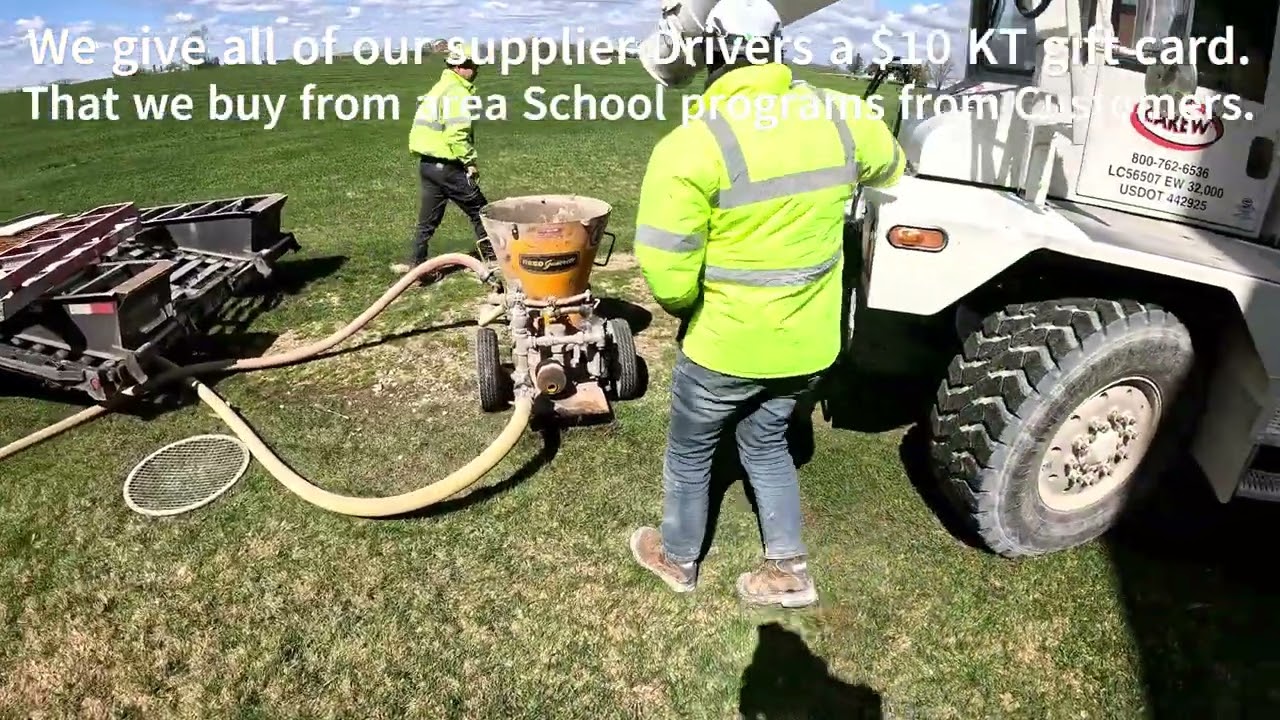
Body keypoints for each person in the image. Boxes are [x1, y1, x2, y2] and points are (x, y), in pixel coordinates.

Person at [628, 0, 907, 608]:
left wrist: (693, 308)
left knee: (690, 453)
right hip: (810, 346)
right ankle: (788, 571)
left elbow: (666, 274)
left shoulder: (691, 145)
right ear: (777, 49)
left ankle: (677, 559)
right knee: (766, 442)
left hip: (724, 346)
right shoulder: (845, 117)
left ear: (715, 54)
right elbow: (892, 167)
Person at [392, 48, 495, 283]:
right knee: (481, 211)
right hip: (448, 166)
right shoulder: (457, 92)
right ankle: (492, 258)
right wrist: (470, 162)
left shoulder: (438, 88)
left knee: (427, 222)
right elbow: (456, 134)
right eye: (473, 66)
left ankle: (418, 268)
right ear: (459, 67)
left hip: (428, 165)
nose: (476, 70)